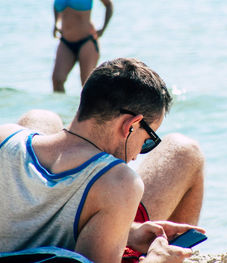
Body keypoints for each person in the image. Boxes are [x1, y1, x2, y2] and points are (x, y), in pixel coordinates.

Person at [0, 58, 205, 263]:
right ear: (130, 125)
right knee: (186, 151)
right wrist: (158, 259)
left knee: (41, 117)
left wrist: (130, 231)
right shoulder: (117, 182)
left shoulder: (6, 136)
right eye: (146, 141)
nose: (135, 156)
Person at [52, 0, 113, 93]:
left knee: (87, 84)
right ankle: (66, 107)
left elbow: (109, 5)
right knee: (57, 79)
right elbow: (56, 6)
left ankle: (95, 106)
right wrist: (56, 23)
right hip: (65, 41)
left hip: (86, 41)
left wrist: (103, 28)